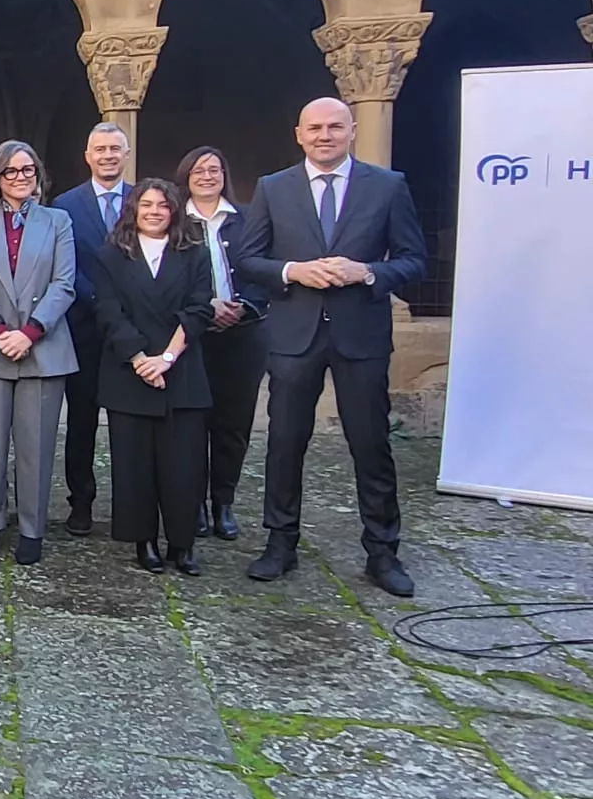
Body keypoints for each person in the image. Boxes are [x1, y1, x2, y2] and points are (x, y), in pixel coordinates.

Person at [234, 97, 427, 596]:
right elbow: (247, 259)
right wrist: (291, 270)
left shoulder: (388, 187)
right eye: (315, 128)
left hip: (359, 333)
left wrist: (368, 272)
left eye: (334, 127)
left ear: (352, 131)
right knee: (284, 442)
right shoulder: (274, 189)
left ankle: (382, 552)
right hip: (295, 334)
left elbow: (412, 261)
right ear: (299, 134)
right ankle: (280, 543)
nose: (324, 135)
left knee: (371, 444)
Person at [0, 141, 78, 565]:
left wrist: (29, 332)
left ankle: (32, 529)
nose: (21, 178)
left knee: (36, 443)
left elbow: (64, 283)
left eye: (28, 171)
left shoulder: (58, 221)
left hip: (42, 347)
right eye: (11, 171)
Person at [89, 180, 214, 576]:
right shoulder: (112, 254)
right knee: (134, 465)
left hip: (181, 371)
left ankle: (182, 544)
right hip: (129, 371)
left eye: (163, 205)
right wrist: (142, 359)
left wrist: (167, 358)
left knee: (184, 464)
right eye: (146, 205)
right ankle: (144, 541)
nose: (155, 211)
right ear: (133, 209)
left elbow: (199, 309)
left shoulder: (195, 253)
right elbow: (108, 310)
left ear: (174, 211)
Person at [175, 146, 269, 541]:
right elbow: (166, 278)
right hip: (193, 337)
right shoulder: (175, 222)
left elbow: (265, 269)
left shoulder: (247, 219)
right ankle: (193, 501)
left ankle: (223, 502)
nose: (207, 176)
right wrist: (203, 309)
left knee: (233, 424)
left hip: (243, 335)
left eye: (214, 169)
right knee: (193, 422)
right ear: (186, 177)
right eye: (198, 170)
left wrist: (243, 307)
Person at [53, 122, 133, 536]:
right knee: (81, 421)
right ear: (88, 156)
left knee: (130, 423)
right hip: (83, 327)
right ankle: (80, 502)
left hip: (134, 332)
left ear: (126, 153)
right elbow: (66, 266)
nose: (107, 155)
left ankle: (131, 505)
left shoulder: (145, 200)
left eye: (115, 148)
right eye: (100, 149)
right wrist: (101, 304)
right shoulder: (65, 205)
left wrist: (125, 310)